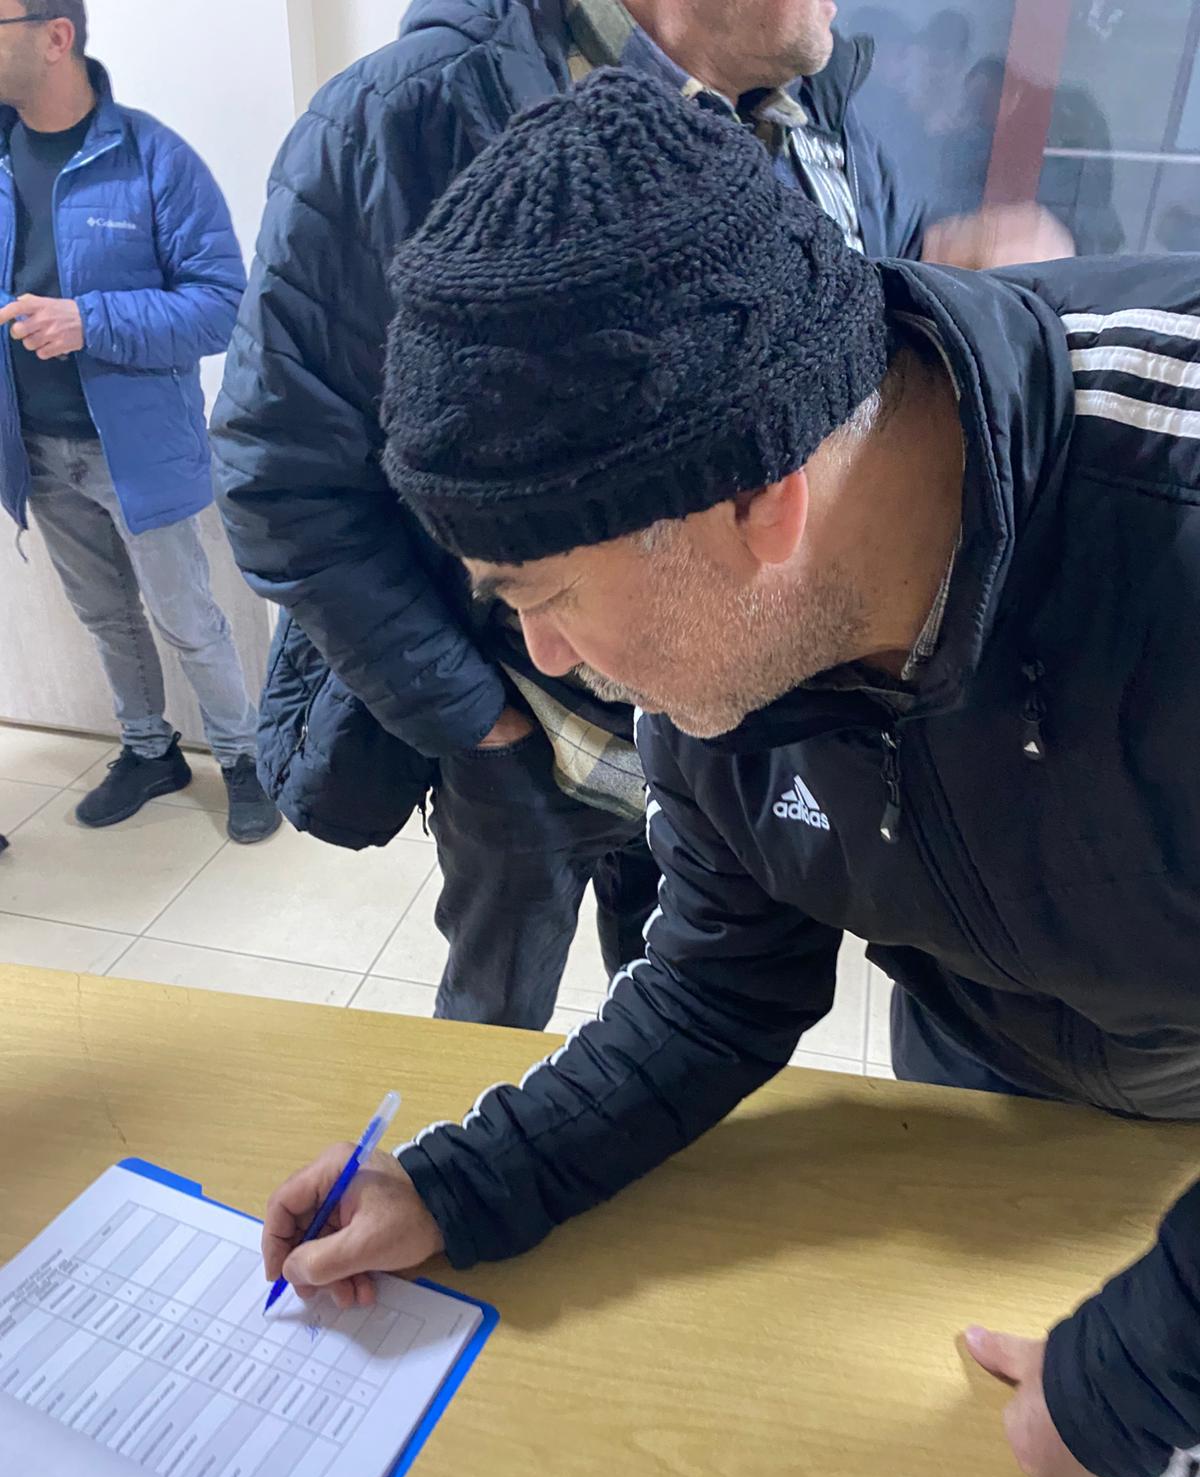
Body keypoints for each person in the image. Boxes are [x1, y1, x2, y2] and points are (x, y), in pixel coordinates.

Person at [265, 72, 1200, 1477]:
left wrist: (1144, 1382)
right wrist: (463, 1183)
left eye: (547, 597)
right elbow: (718, 988)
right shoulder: (721, 659)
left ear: (763, 503)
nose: (547, 660)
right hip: (996, 1088)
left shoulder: (1168, 502)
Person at [214, 0, 1068, 1030]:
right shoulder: (403, 119)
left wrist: (934, 290)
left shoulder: (824, 118)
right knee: (495, 1004)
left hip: (732, 727)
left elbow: (825, 382)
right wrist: (475, 719)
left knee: (678, 996)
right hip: (531, 737)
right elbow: (279, 479)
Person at [0, 0, 279, 843]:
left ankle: (244, 760)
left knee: (185, 616)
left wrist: (90, 319)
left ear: (56, 36)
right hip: (33, 448)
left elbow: (221, 306)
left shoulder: (153, 157)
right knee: (103, 616)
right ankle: (149, 750)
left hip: (135, 451)